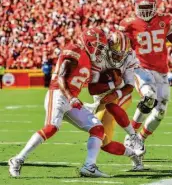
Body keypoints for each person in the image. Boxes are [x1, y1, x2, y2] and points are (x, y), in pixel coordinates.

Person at [8, 28, 112, 178]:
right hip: (58, 93)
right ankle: (17, 159)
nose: (100, 50)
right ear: (89, 43)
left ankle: (89, 166)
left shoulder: (89, 61)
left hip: (70, 99)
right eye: (99, 46)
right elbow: (62, 77)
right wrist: (71, 98)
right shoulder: (75, 49)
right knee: (52, 127)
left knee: (97, 128)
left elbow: (87, 86)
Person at [119, 0, 172, 170]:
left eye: (149, 8)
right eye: (143, 8)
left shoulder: (163, 20)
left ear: (155, 7)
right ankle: (131, 136)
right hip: (141, 68)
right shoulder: (129, 24)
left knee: (161, 111)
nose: (146, 12)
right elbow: (120, 46)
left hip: (162, 71)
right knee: (149, 97)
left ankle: (140, 138)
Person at [84, 31, 143, 166]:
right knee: (102, 141)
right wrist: (111, 84)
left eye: (122, 53)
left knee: (110, 104)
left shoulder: (129, 57)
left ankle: (134, 137)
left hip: (121, 95)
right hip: (101, 97)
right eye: (116, 53)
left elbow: (129, 86)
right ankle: (133, 155)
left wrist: (115, 92)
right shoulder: (99, 58)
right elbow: (92, 89)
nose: (119, 57)